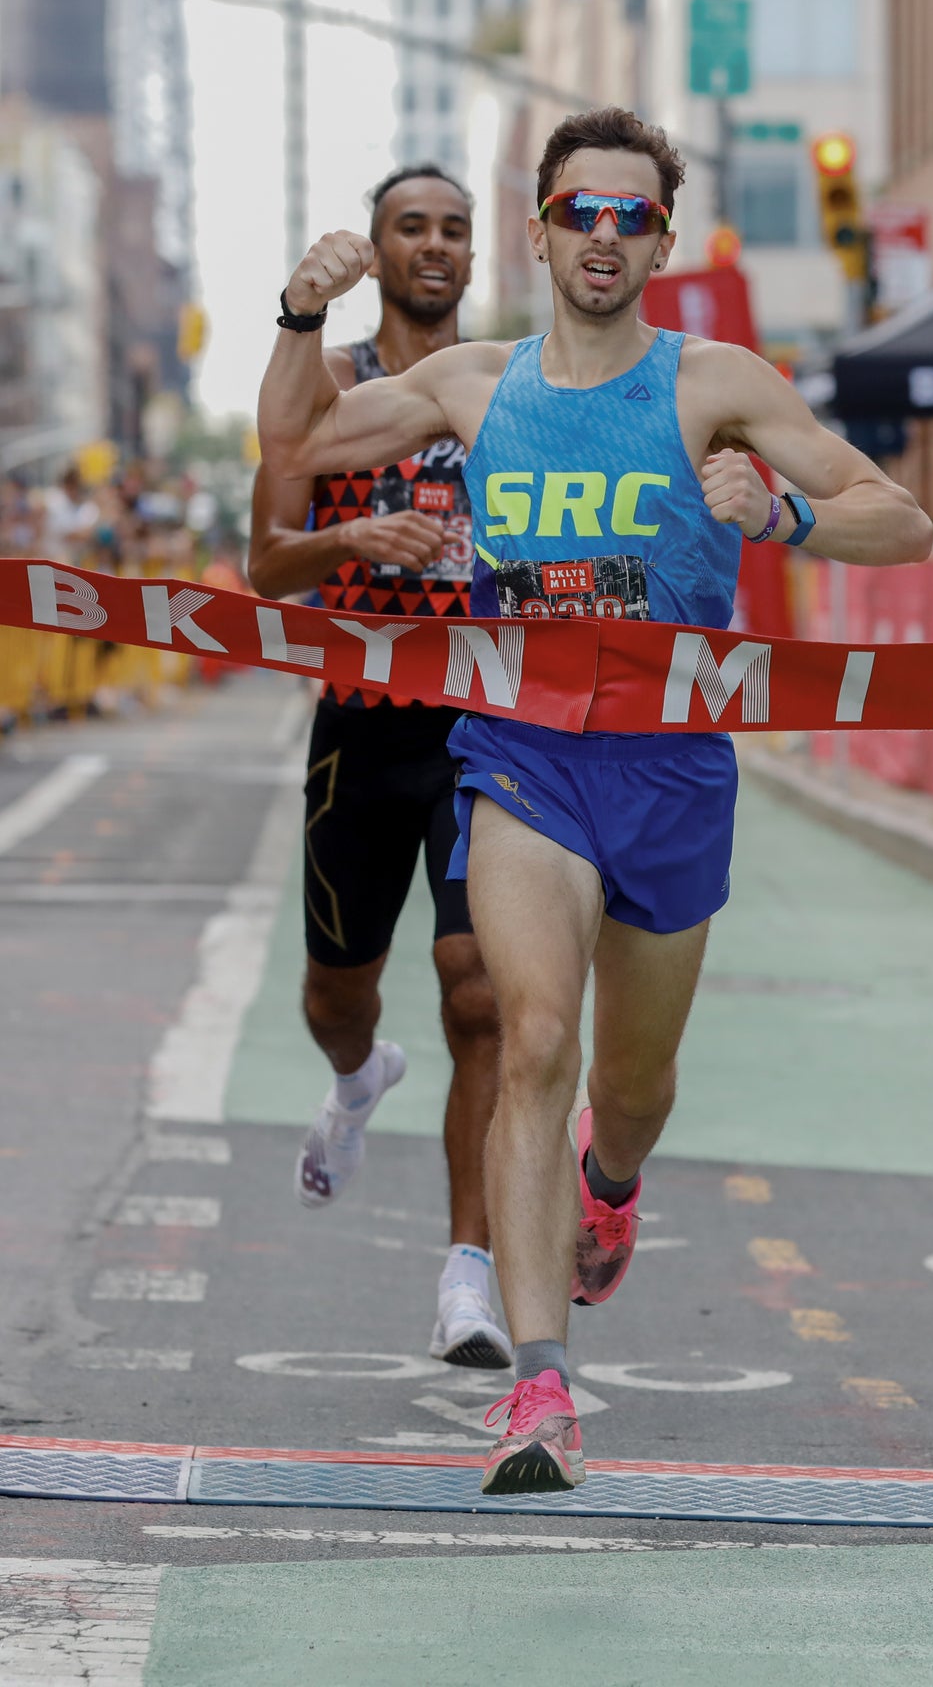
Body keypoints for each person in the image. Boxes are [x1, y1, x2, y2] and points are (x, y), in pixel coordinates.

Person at [258, 105, 932, 1494]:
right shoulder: (472, 382)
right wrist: (294, 316)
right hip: (524, 758)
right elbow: (301, 444)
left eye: (634, 218)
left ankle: (609, 1187)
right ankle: (540, 1389)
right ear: (544, 228)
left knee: (626, 1092)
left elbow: (900, 520)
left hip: (675, 770)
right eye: (583, 213)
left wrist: (783, 516)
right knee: (532, 1028)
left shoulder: (716, 383)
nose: (606, 239)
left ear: (663, 240)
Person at [248, 163, 511, 1372]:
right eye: (414, 227)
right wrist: (356, 534)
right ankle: (358, 1083)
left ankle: (470, 1273)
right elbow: (264, 565)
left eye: (456, 228)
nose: (438, 246)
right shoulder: (333, 389)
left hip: (483, 731)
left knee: (478, 990)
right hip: (360, 726)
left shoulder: (512, 388)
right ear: (379, 247)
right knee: (333, 1001)